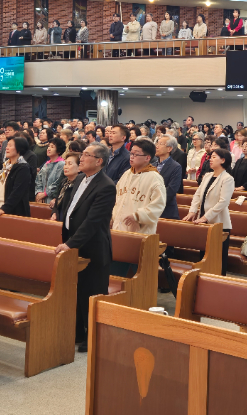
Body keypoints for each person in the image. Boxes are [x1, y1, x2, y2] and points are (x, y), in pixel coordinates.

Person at [53, 143, 115, 353]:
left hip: (93, 247)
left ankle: (93, 336)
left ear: (99, 161)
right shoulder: (80, 179)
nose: (82, 158)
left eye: (87, 155)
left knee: (92, 292)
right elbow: (70, 209)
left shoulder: (106, 186)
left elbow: (93, 221)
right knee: (76, 291)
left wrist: (70, 244)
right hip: (75, 244)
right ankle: (78, 331)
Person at [183, 148, 234, 275]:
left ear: (223, 160)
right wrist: (192, 211)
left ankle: (219, 284)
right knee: (204, 255)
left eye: (214, 157)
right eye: (210, 157)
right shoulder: (207, 175)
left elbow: (223, 202)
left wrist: (206, 216)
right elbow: (197, 195)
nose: (210, 159)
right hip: (203, 221)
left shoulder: (227, 178)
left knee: (217, 258)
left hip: (219, 223)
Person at [112, 138, 166, 234]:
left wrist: (138, 215)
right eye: (131, 153)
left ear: (147, 158)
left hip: (140, 230)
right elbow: (117, 198)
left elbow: (158, 205)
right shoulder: (127, 174)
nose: (131, 157)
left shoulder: (154, 177)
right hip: (118, 226)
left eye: (136, 154)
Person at [155, 135, 182, 219]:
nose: (157, 146)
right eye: (157, 143)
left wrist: (154, 201)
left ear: (169, 149)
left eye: (161, 144)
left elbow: (171, 190)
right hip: (149, 209)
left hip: (166, 211)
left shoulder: (176, 167)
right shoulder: (151, 165)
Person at [34, 137, 66, 204]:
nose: (48, 148)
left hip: (51, 199)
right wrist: (39, 193)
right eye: (48, 146)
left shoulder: (61, 164)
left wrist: (45, 193)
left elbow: (58, 182)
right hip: (41, 197)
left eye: (52, 147)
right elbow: (38, 179)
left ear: (59, 151)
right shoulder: (47, 163)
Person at [51, 152, 80, 219]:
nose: (66, 167)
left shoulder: (79, 185)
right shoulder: (64, 182)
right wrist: (54, 213)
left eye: (70, 164)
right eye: (65, 164)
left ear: (79, 168)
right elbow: (57, 202)